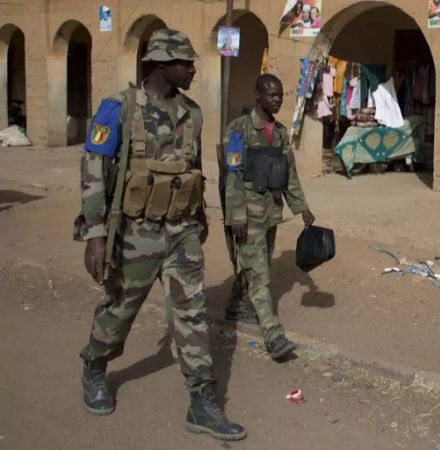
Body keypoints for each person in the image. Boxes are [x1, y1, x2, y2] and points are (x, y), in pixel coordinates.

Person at [74, 29, 246, 441]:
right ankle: (95, 367)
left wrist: (201, 219)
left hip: (182, 232)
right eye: (185, 63)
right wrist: (95, 234)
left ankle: (202, 401)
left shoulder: (193, 112)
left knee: (191, 313)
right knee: (119, 309)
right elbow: (93, 170)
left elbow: (194, 171)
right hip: (135, 232)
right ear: (161, 64)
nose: (191, 69)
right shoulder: (119, 108)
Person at [221, 73, 316, 363]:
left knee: (256, 263)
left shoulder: (281, 133)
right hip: (247, 214)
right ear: (258, 96)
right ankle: (273, 336)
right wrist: (236, 215)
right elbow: (232, 176)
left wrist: (301, 207)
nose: (277, 100)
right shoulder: (238, 130)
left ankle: (235, 304)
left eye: (280, 96)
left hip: (271, 212)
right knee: (260, 274)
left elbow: (290, 175)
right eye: (272, 95)